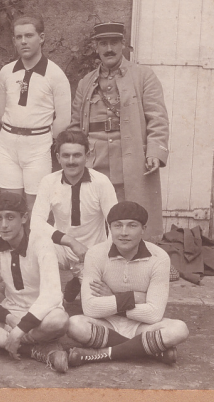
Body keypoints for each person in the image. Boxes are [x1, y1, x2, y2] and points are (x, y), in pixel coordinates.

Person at [70, 22, 169, 241]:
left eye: (114, 43)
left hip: (131, 159)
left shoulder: (144, 76)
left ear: (123, 44)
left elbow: (158, 118)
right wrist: (75, 157)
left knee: (133, 212)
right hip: (95, 160)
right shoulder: (86, 82)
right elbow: (76, 125)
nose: (109, 49)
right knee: (95, 213)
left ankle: (145, 259)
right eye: (103, 44)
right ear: (96, 47)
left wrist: (155, 151)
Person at [0, 192, 70, 373]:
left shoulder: (41, 242)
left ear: (24, 218)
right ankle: (33, 350)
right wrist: (9, 318)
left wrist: (20, 329)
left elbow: (52, 294)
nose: (4, 225)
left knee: (60, 320)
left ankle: (4, 341)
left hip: (40, 317)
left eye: (10, 218)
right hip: (11, 315)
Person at [66, 201, 189, 367]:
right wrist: (135, 298)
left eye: (132, 226)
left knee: (179, 329)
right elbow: (90, 308)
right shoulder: (95, 254)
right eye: (117, 226)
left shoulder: (159, 257)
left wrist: (112, 298)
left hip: (143, 327)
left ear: (143, 229)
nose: (124, 232)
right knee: (74, 324)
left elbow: (154, 314)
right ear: (110, 229)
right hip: (106, 323)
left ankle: (103, 354)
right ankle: (148, 351)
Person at [30, 130, 118, 304]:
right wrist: (70, 241)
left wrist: (102, 255)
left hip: (92, 253)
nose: (71, 161)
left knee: (94, 307)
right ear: (58, 157)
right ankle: (50, 297)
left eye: (77, 155)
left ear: (87, 156)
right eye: (66, 156)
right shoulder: (49, 181)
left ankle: (78, 282)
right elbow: (36, 222)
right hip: (62, 247)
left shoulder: (101, 182)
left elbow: (115, 222)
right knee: (36, 246)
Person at [0, 15, 71, 213]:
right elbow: (1, 111)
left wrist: (43, 139)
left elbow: (63, 119)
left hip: (38, 145)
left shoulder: (55, 74)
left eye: (29, 35)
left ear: (42, 37)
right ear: (13, 40)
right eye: (18, 37)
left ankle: (35, 244)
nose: (23, 41)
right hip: (7, 144)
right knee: (10, 204)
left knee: (36, 206)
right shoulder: (6, 72)